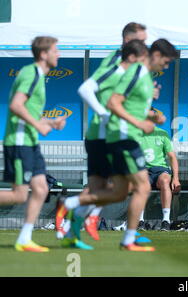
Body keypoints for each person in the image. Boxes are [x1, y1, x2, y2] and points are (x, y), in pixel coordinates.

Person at [56, 39, 178, 251]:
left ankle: (70, 205)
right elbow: (113, 103)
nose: (166, 67)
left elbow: (129, 106)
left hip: (123, 137)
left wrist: (151, 117)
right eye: (166, 62)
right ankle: (128, 238)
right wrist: (140, 122)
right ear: (156, 55)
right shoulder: (137, 72)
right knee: (143, 186)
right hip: (123, 138)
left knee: (120, 192)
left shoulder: (144, 76)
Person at [0, 36, 66, 252]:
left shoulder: (37, 75)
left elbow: (26, 111)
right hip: (20, 143)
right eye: (56, 50)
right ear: (44, 54)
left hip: (30, 142)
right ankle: (24, 239)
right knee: (19, 194)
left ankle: (24, 239)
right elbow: (16, 106)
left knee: (40, 188)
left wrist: (50, 122)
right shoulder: (31, 73)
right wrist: (39, 125)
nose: (59, 54)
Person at [139, 126, 181, 231]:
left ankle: (165, 221)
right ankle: (140, 221)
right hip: (142, 171)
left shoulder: (162, 133)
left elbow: (172, 157)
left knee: (165, 180)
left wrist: (176, 178)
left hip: (160, 170)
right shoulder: (134, 133)